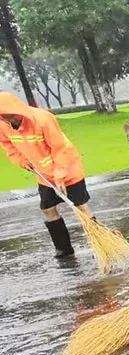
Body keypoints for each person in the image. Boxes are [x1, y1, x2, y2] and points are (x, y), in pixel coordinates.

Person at [0, 91, 91, 259]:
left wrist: (60, 174)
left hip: (68, 169)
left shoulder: (43, 119)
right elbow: (8, 146)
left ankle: (98, 244)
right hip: (44, 175)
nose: (8, 119)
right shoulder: (2, 125)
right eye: (3, 117)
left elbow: (59, 147)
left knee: (81, 208)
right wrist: (21, 161)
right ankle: (63, 249)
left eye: (9, 115)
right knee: (48, 209)